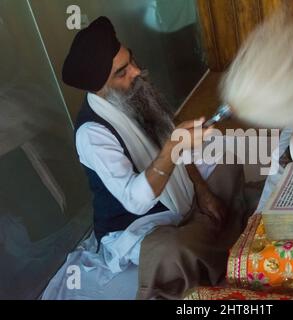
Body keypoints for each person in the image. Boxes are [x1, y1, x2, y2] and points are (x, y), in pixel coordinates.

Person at [62, 16, 249, 299]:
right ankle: (209, 239)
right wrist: (172, 148)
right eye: (122, 71)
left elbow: (174, 144)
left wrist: (201, 189)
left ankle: (206, 230)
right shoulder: (91, 134)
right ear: (100, 87)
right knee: (174, 253)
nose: (137, 71)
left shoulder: (134, 93)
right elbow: (135, 201)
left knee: (229, 164)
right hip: (135, 223)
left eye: (132, 60)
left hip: (177, 192)